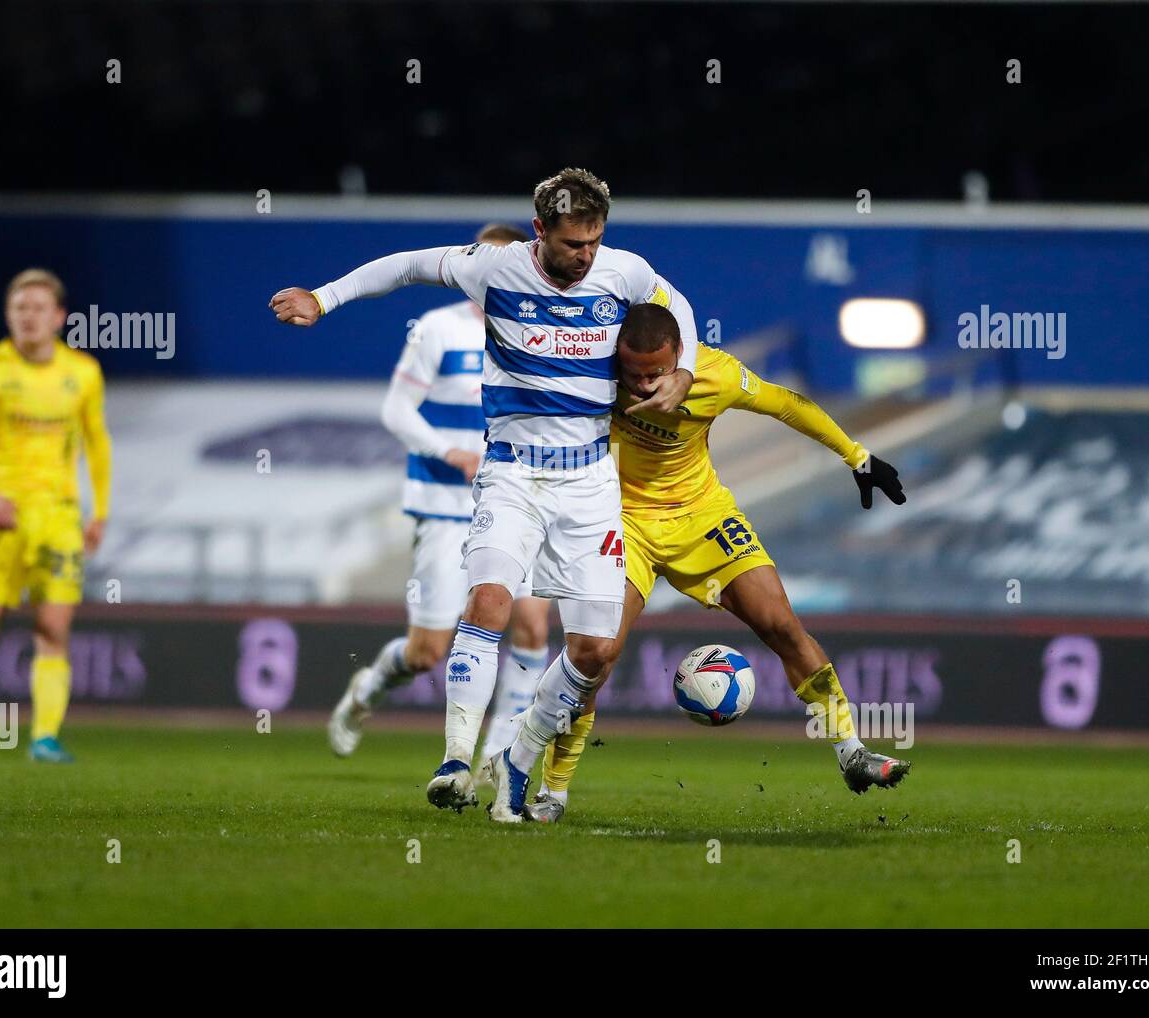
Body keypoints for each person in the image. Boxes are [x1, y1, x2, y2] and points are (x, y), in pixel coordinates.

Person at [270, 167, 700, 821]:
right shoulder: (493, 269)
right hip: (513, 474)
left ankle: (520, 759)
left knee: (594, 651)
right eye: (572, 244)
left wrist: (685, 371)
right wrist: (324, 299)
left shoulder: (625, 271)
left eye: (594, 241)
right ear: (539, 232)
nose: (585, 256)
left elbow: (680, 308)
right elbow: (407, 266)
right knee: (490, 602)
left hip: (589, 484)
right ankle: (455, 761)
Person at [524, 304, 909, 823]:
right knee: (596, 655)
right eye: (632, 373)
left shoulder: (717, 374)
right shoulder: (596, 365)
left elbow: (786, 404)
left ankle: (851, 752)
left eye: (654, 373)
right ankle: (553, 792)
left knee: (780, 622)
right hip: (623, 522)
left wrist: (856, 455)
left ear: (679, 355)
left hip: (702, 517)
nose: (640, 385)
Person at [327, 224, 551, 772]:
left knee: (531, 626)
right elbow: (396, 411)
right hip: (445, 505)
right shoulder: (437, 330)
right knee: (427, 652)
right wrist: (449, 452)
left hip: (514, 503)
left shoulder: (537, 328)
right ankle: (370, 686)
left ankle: (497, 758)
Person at [0, 268, 111, 763]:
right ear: (8, 315)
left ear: (59, 317)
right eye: (20, 308)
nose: (29, 317)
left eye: (39, 308)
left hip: (58, 517)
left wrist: (100, 511)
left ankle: (44, 738)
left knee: (53, 630)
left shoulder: (82, 373)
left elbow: (97, 443)